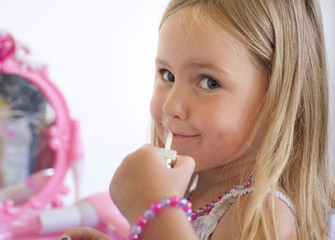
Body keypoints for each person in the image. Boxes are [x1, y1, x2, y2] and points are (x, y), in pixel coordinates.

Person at [60, 0, 335, 239]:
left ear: (283, 102)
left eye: (209, 82)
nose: (171, 106)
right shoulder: (194, 192)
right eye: (167, 75)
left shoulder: (263, 216)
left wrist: (157, 211)